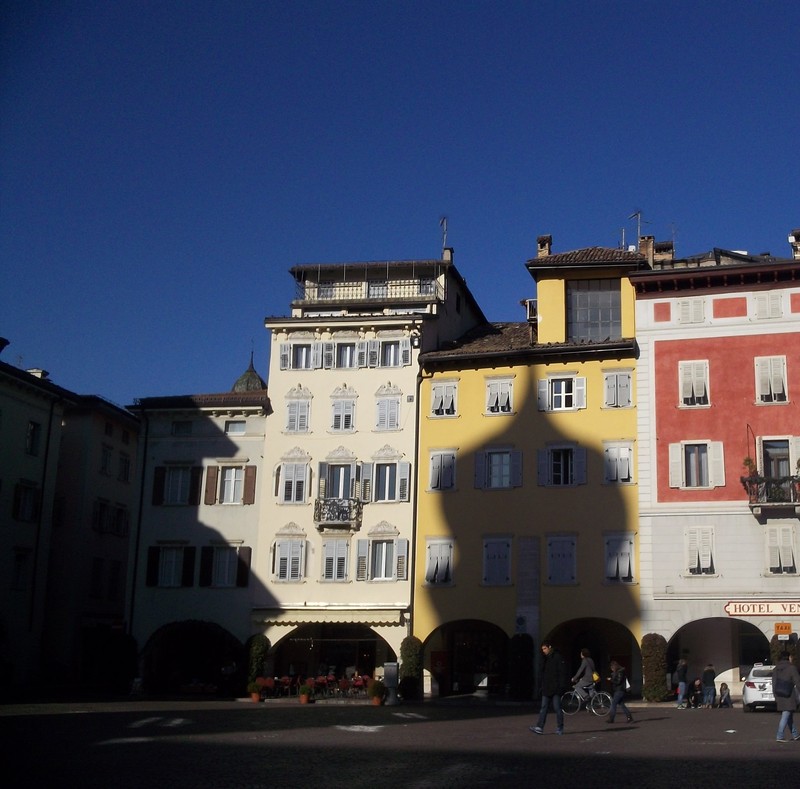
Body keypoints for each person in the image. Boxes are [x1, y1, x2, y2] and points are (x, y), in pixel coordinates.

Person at [530, 641, 567, 735]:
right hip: (546, 687)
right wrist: (541, 685)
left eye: (545, 648)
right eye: (542, 649)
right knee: (543, 708)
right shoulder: (544, 658)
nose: (543, 651)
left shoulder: (557, 657)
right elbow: (541, 672)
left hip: (556, 688)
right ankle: (539, 727)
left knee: (557, 708)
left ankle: (560, 727)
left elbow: (562, 672)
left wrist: (561, 686)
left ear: (549, 647)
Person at [772, 651, 800, 742]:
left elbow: (774, 683)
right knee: (786, 714)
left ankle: (795, 734)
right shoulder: (791, 668)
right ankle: (780, 735)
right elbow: (797, 682)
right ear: (788, 657)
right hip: (789, 695)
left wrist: (775, 696)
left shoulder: (776, 669)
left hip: (780, 694)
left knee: (789, 715)